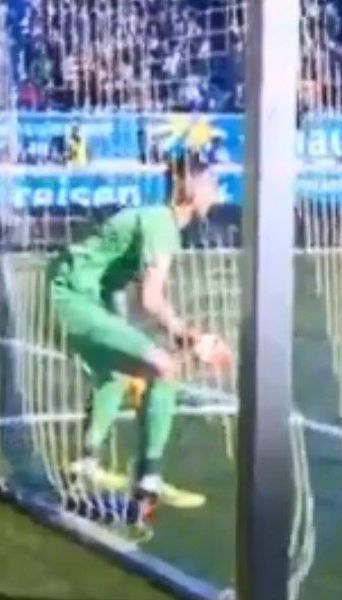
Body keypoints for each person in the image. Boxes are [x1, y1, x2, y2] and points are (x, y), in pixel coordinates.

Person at [49, 121, 232, 521]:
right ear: (188, 185)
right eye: (212, 182)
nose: (219, 192)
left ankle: (87, 464)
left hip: (79, 297)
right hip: (72, 298)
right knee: (163, 367)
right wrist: (190, 337)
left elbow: (137, 292)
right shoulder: (161, 225)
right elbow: (150, 298)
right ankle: (147, 480)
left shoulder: (157, 222)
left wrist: (181, 336)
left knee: (121, 373)